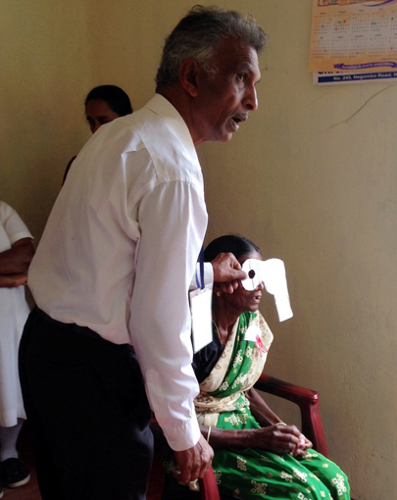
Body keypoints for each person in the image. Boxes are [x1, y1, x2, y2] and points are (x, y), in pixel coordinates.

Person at [19, 6, 268, 500]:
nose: (253, 102)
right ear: (192, 76)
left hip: (45, 349)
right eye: (242, 79)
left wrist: (200, 273)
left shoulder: (120, 134)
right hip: (93, 376)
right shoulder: (172, 170)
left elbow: (112, 262)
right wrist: (185, 433)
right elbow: (157, 319)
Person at [164, 235, 351, 500]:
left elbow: (244, 387)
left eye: (262, 275)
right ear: (220, 281)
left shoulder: (249, 323)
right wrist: (257, 437)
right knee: (305, 493)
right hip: (201, 439)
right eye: (250, 274)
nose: (260, 286)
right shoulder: (192, 329)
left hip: (246, 425)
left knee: (336, 480)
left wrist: (282, 430)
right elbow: (170, 415)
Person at [0, 201, 35, 498]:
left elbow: (25, 257)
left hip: (10, 322)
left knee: (11, 384)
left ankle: (8, 453)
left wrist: (14, 275)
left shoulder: (3, 211)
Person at [62, 85, 133, 183]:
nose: (96, 129)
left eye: (103, 121)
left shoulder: (139, 164)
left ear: (125, 119)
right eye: (91, 122)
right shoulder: (78, 164)